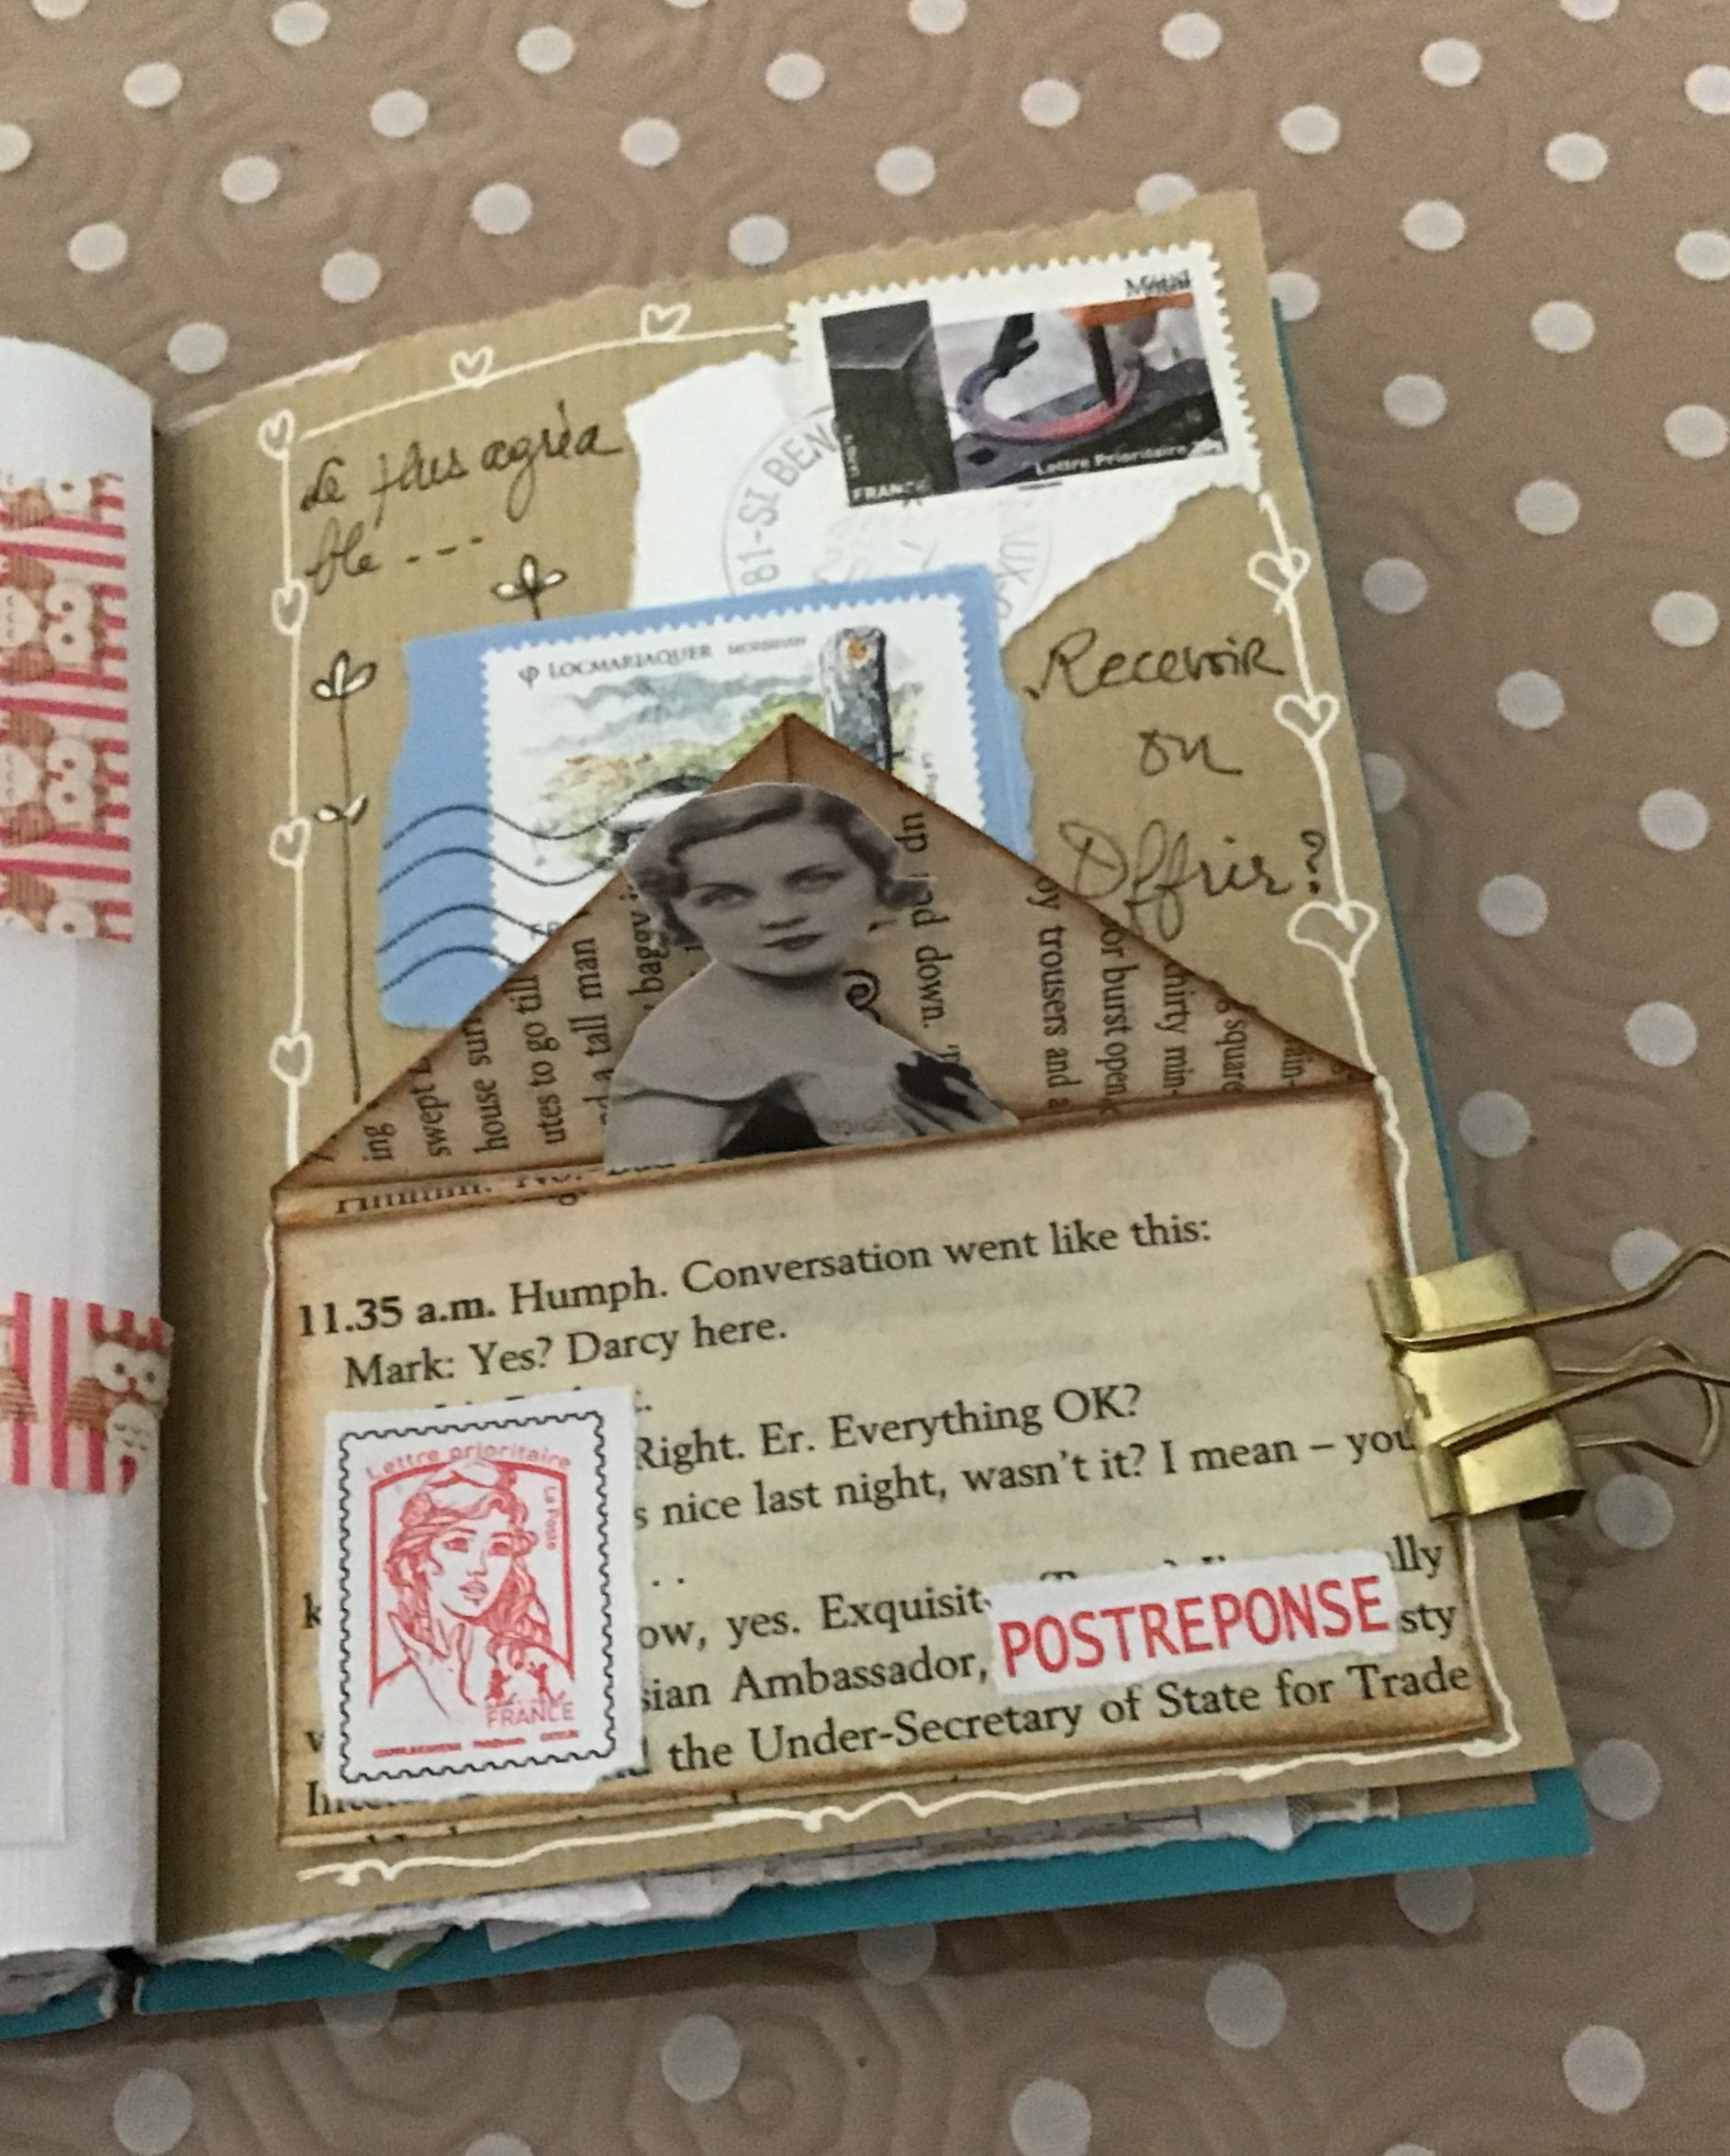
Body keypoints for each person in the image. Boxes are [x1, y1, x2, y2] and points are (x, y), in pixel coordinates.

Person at [605, 782, 1012, 1170]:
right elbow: (664, 1216)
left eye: (814, 880)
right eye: (725, 897)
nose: (780, 916)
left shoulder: (868, 1035)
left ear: (878, 882)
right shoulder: (684, 1065)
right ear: (677, 916)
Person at [374, 1462, 563, 1720]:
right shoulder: (394, 1692)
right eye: (458, 1544)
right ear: (419, 1558)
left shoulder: (538, 1669)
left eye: (499, 1548)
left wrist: (453, 1704)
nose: (479, 1568)